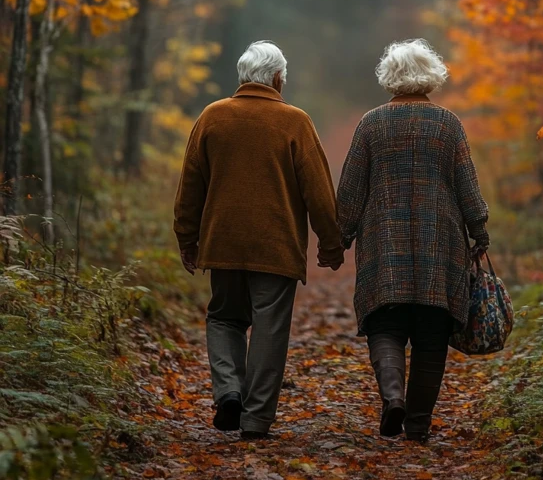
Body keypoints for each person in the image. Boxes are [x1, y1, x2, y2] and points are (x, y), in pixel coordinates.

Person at [174, 40, 344, 439]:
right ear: (278, 78)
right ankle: (255, 419)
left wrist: (187, 236)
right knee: (269, 328)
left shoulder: (212, 116)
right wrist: (331, 241)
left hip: (223, 242)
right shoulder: (296, 121)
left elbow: (191, 185)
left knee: (224, 318)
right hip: (277, 246)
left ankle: (229, 391)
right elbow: (317, 190)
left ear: (242, 76)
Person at [337, 39, 490, 443]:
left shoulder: (371, 123)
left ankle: (393, 398)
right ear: (431, 75)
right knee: (431, 334)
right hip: (440, 247)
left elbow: (350, 189)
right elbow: (467, 187)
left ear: (390, 76)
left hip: (383, 244)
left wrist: (339, 236)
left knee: (385, 325)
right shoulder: (447, 124)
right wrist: (479, 229)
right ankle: (418, 425)